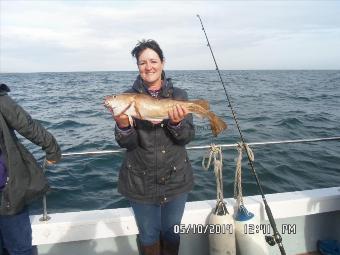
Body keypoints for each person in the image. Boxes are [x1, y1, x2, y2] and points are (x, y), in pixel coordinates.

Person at [111, 39, 195, 255]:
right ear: (137, 66)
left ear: (162, 63)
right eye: (142, 63)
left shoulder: (180, 96)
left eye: (153, 61)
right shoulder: (128, 97)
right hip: (140, 182)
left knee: (172, 233)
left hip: (176, 180)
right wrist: (123, 126)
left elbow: (186, 137)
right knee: (148, 236)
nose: (148, 67)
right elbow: (127, 143)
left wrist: (176, 123)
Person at [0, 83, 61, 255]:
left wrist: (52, 149)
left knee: (20, 249)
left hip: (6, 194)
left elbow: (27, 124)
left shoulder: (1, 100)